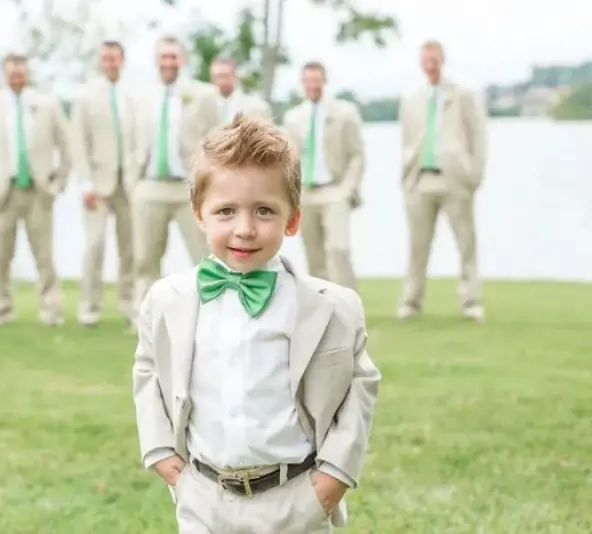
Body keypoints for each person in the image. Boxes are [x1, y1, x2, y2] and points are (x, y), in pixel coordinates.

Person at [132, 114, 381, 533]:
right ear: (199, 214)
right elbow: (149, 373)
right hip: (204, 497)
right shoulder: (167, 300)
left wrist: (331, 480)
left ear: (293, 219)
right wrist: (163, 457)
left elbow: (360, 390)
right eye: (225, 211)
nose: (244, 229)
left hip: (296, 497)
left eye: (264, 210)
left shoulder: (333, 308)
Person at [0, 54, 73, 327]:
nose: (17, 76)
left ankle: (50, 310)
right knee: (0, 257)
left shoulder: (47, 105)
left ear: (27, 73)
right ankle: (1, 310)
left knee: (44, 257)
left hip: (37, 191)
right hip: (2, 193)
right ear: (4, 73)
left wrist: (57, 182)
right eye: (12, 72)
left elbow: (69, 147)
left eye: (21, 71)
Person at [130, 36, 219, 325]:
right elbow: (132, 141)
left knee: (205, 254)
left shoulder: (203, 95)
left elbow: (216, 140)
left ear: (183, 60)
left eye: (174, 57)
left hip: (188, 188)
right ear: (157, 60)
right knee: (145, 257)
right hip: (150, 184)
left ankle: (213, 314)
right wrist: (133, 180)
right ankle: (144, 318)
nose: (169, 62)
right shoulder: (140, 96)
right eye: (164, 57)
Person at [397, 40, 488, 322]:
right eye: (425, 59)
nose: (430, 64)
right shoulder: (412, 99)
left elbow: (478, 139)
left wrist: (473, 176)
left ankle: (471, 302)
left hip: (455, 181)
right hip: (421, 179)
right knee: (417, 246)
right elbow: (407, 138)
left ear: (442, 59)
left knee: (466, 244)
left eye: (434, 59)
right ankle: (411, 302)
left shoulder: (463, 95)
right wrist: (407, 176)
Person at [72, 41, 137, 328]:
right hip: (98, 185)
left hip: (131, 184)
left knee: (131, 249)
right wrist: (85, 184)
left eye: (114, 58)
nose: (109, 63)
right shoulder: (86, 96)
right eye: (105, 59)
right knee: (94, 246)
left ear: (123, 60)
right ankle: (89, 308)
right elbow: (78, 143)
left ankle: (129, 305)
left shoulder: (134, 94)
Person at [283, 61, 364, 290]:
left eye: (316, 80)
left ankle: (349, 305)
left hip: (334, 189)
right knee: (314, 256)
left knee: (339, 249)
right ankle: (324, 304)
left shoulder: (345, 113)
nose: (312, 85)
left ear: (324, 81)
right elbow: (288, 158)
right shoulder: (293, 117)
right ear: (302, 83)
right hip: (305, 193)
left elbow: (357, 155)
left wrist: (348, 189)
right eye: (308, 80)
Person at [209, 56, 272, 123]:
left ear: (235, 77)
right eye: (216, 77)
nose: (221, 81)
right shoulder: (205, 107)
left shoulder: (255, 107)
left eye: (225, 76)